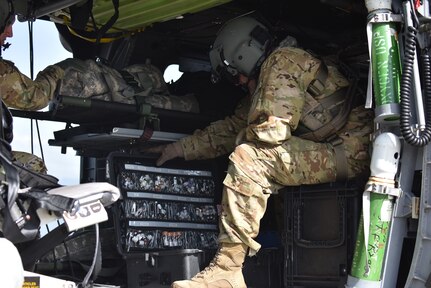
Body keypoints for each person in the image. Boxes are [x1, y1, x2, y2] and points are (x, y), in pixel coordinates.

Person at [145, 16, 374, 288]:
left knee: (250, 160)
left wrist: (244, 142)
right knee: (267, 175)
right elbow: (232, 128)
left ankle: (226, 271)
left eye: (234, 74)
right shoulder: (271, 77)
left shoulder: (282, 62)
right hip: (335, 148)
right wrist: (178, 148)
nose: (239, 82)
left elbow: (271, 131)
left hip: (349, 149)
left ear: (244, 54)